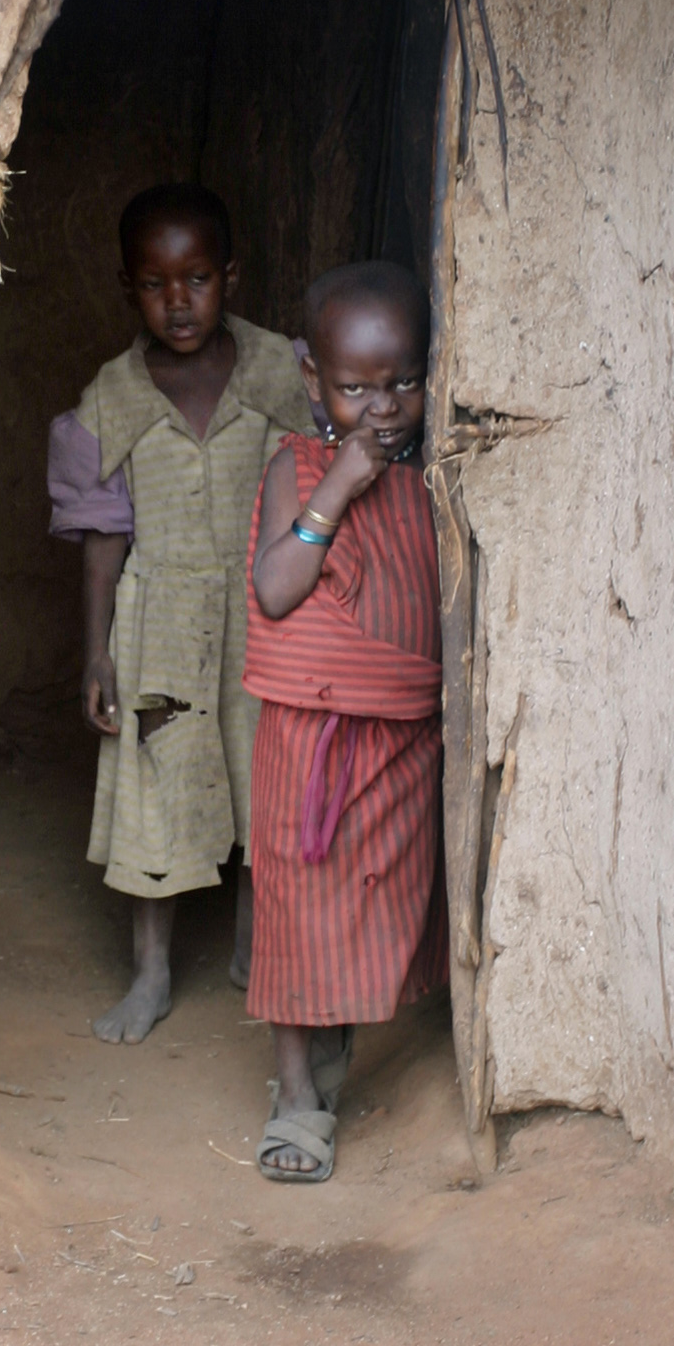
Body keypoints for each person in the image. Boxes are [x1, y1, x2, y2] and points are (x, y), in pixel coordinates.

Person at [47, 185, 312, 1041]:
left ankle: (254, 950)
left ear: (230, 275)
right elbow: (102, 540)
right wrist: (98, 653)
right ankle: (152, 973)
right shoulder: (112, 399)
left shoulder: (281, 371)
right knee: (155, 788)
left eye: (197, 278)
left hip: (264, 614)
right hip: (157, 620)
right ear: (128, 287)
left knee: (265, 775)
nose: (179, 301)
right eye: (156, 284)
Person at [242, 260, 447, 1180]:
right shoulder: (298, 465)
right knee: (297, 906)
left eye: (404, 380)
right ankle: (294, 1094)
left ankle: (335, 1033)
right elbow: (276, 587)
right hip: (308, 740)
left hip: (399, 740)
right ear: (312, 378)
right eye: (356, 387)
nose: (384, 407)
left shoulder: (437, 478)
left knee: (373, 900)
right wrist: (341, 488)